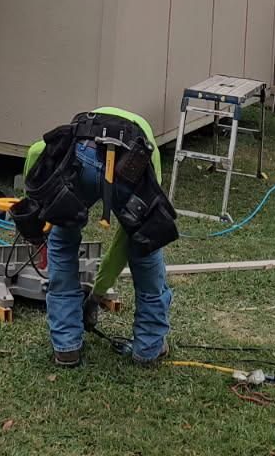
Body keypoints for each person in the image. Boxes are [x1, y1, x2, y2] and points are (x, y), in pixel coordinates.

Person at [12, 106, 178, 367]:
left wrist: (37, 209)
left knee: (62, 242)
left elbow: (35, 154)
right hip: (132, 164)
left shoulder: (58, 145)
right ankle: (149, 349)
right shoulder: (150, 154)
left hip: (82, 153)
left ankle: (66, 347)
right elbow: (129, 240)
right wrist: (97, 295)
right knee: (145, 249)